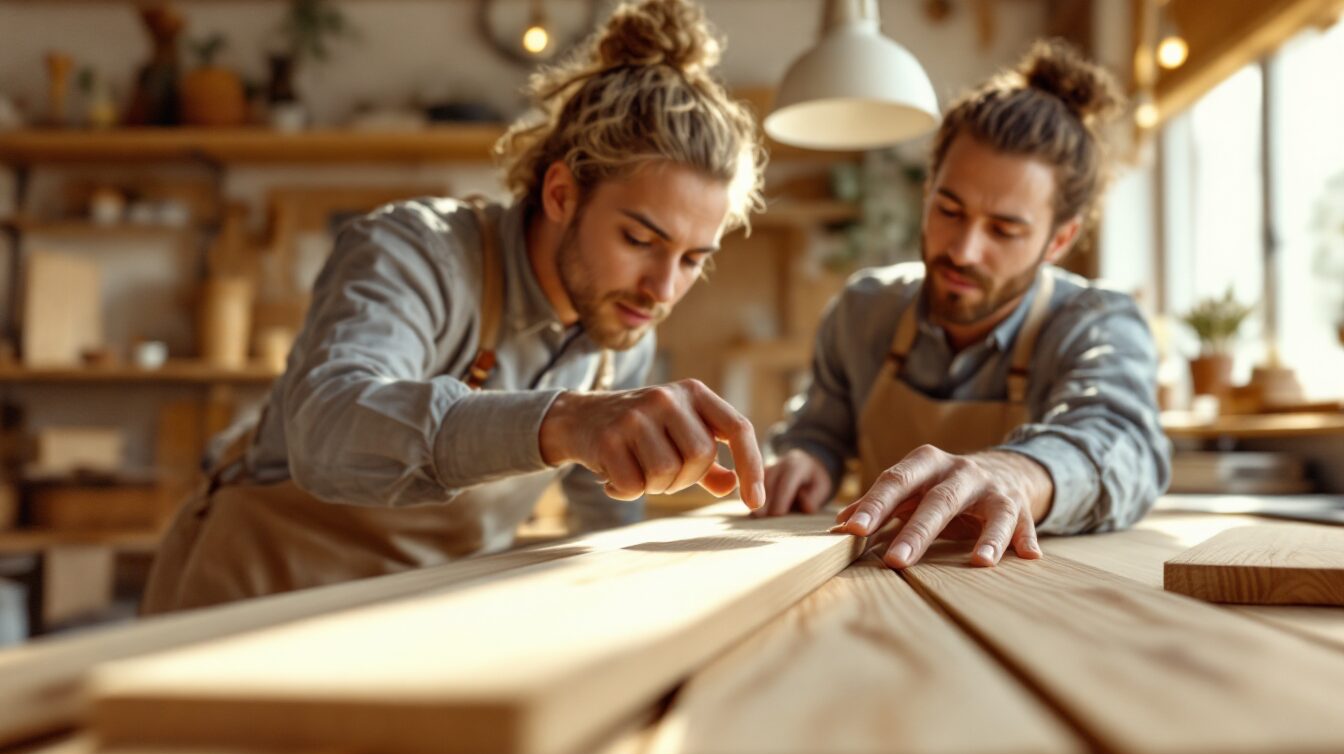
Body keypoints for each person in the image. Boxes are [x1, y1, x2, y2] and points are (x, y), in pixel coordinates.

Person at [142, 0, 766, 614]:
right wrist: (564, 422)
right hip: (248, 605)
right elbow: (327, 429)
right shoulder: (416, 253)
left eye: (692, 260)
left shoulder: (621, 337)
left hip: (415, 626)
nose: (661, 291)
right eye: (638, 240)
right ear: (560, 195)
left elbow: (604, 530)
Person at [759, 40, 1171, 570]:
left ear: (1060, 239)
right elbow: (818, 431)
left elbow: (1123, 443)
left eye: (1004, 229)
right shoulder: (862, 312)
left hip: (1029, 597)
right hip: (877, 588)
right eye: (949, 209)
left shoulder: (1096, 322)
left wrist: (1017, 473)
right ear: (928, 189)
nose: (962, 249)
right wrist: (803, 460)